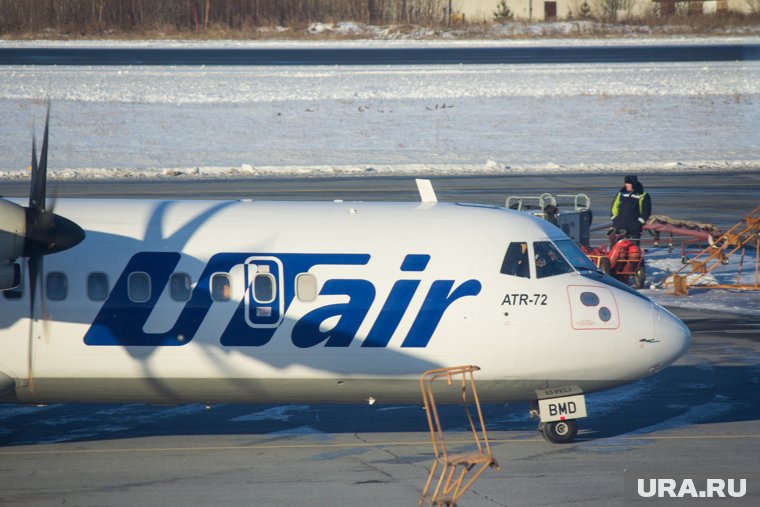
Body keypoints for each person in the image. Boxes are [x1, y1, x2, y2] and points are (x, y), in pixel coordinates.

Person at [610, 175, 652, 241]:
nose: (627, 185)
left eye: (629, 183)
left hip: (634, 226)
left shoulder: (643, 195)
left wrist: (639, 222)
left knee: (634, 247)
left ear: (634, 184)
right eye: (626, 183)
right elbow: (614, 207)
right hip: (620, 225)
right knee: (618, 246)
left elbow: (646, 211)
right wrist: (614, 218)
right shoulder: (621, 194)